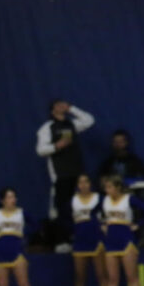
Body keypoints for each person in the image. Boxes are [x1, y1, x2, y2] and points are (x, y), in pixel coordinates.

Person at [36, 99, 95, 249]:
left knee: (80, 205)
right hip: (61, 174)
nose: (62, 106)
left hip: (77, 172)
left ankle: (80, 237)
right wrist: (56, 146)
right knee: (61, 207)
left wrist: (72, 109)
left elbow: (89, 120)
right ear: (52, 110)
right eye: (59, 105)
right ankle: (61, 241)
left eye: (64, 104)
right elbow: (40, 150)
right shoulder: (47, 127)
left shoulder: (72, 124)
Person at [99, 175, 144, 286]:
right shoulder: (104, 200)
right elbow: (94, 215)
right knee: (112, 278)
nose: (107, 190)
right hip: (111, 242)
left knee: (132, 276)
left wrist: (139, 225)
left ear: (118, 187)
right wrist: (102, 225)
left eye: (110, 187)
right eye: (106, 187)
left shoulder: (129, 199)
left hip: (126, 240)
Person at [70, 174, 110, 286]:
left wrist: (104, 226)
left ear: (90, 184)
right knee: (79, 276)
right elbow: (67, 219)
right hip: (80, 241)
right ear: (77, 185)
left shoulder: (99, 198)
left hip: (96, 239)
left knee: (101, 275)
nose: (83, 185)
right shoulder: (73, 200)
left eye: (86, 181)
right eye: (80, 182)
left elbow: (107, 215)